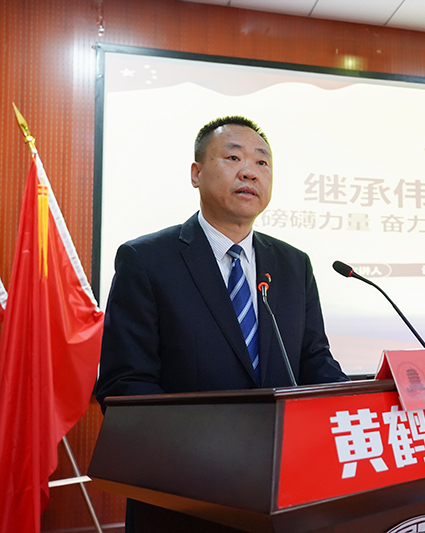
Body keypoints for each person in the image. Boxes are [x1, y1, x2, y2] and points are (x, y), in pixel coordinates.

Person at [95, 115, 349, 412]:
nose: (250, 173)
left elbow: (315, 361)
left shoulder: (294, 264)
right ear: (196, 174)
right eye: (233, 158)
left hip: (282, 439)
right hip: (191, 440)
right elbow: (126, 383)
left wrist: (365, 400)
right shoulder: (146, 260)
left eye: (262, 163)